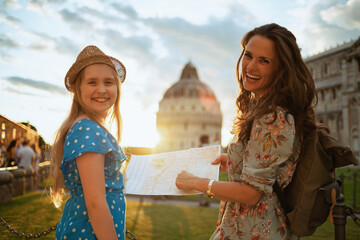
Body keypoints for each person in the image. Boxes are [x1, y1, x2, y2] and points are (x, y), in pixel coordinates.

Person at [176, 23, 317, 239]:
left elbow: (251, 194)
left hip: (255, 229)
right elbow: (268, 169)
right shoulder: (266, 108)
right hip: (251, 225)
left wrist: (196, 182)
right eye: (248, 55)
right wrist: (234, 160)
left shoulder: (272, 116)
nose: (250, 67)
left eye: (264, 61)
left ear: (280, 69)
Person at [50, 45, 127, 240]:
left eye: (108, 82)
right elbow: (95, 205)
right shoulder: (87, 130)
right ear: (77, 89)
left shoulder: (88, 127)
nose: (101, 90)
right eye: (92, 82)